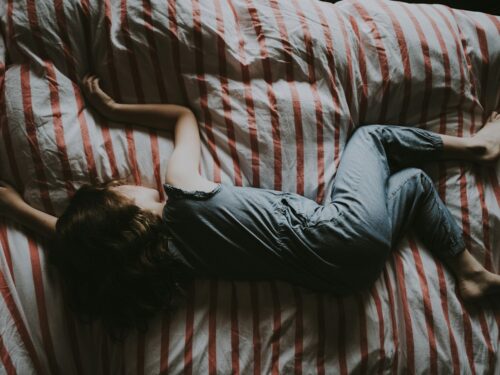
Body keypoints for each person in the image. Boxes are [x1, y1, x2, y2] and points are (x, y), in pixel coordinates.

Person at [1, 74, 500, 341]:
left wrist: (22, 211)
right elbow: (183, 117)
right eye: (116, 190)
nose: (126, 183)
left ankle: (470, 272)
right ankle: (477, 148)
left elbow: (84, 244)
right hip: (342, 233)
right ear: (122, 215)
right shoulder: (179, 195)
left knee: (411, 182)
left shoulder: (177, 264)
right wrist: (113, 111)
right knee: (371, 136)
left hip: (346, 275)